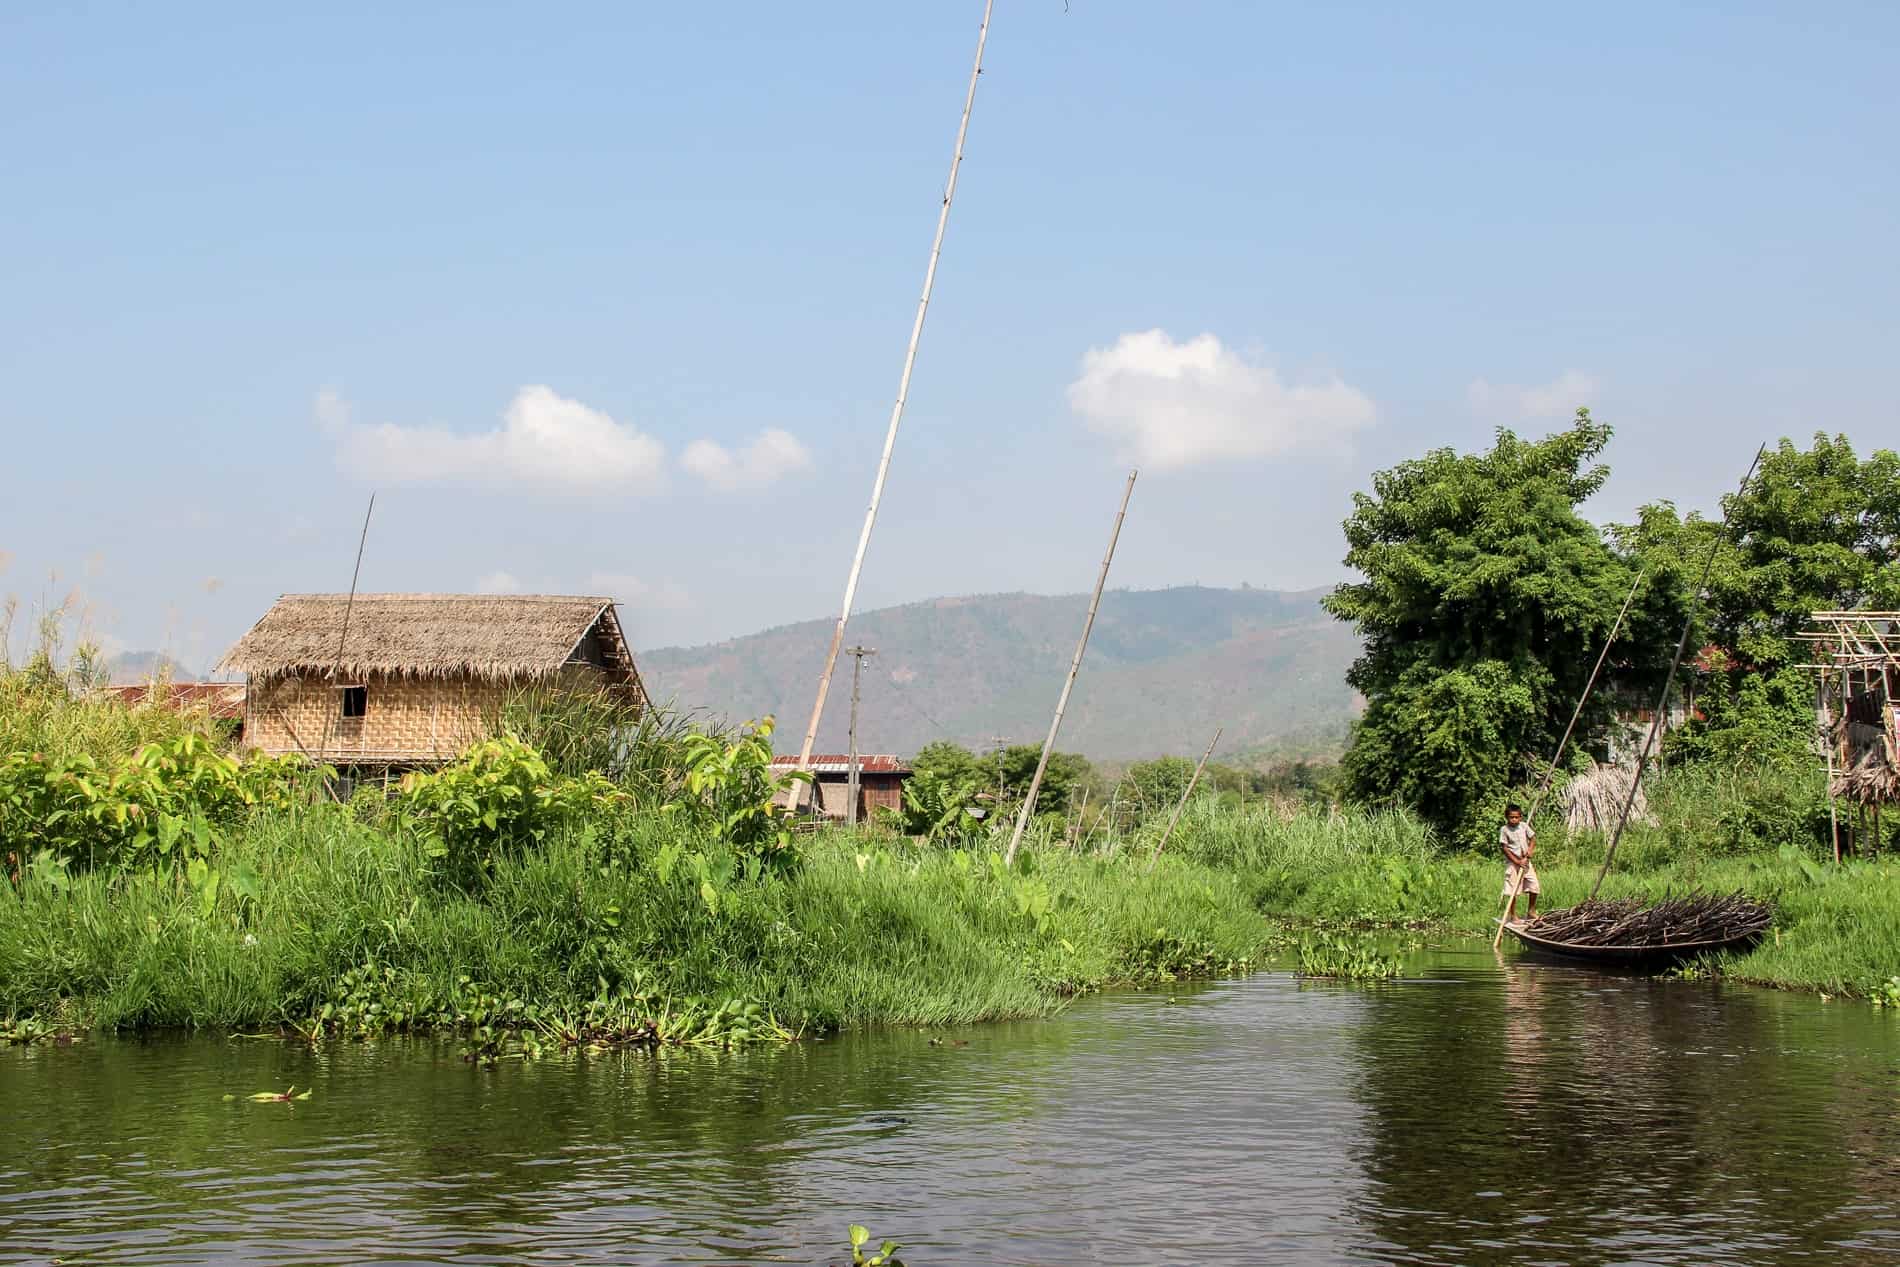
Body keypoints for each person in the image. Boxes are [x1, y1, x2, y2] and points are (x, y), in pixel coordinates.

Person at [1499, 802, 1539, 922]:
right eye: (1512, 817)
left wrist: (1530, 851)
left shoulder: (1523, 826)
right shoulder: (1504, 830)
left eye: (1517, 817)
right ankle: (1513, 915)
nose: (1514, 819)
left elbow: (1532, 839)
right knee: (1513, 890)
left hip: (1526, 862)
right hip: (1513, 863)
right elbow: (1504, 848)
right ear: (1507, 817)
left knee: (1534, 885)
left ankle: (1531, 911)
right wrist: (1517, 861)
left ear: (1520, 817)